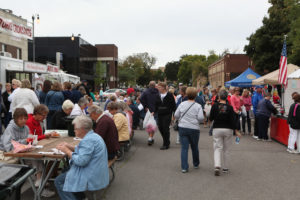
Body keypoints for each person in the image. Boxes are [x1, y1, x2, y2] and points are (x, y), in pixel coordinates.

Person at [55, 115, 109, 200]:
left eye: (75, 128)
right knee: (66, 171)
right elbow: (86, 152)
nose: (74, 130)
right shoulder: (94, 136)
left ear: (82, 129)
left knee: (59, 181)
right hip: (97, 172)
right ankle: (80, 197)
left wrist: (67, 151)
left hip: (90, 175)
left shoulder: (88, 140)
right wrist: (70, 147)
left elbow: (81, 161)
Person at [174, 87, 204, 173]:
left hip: (183, 127)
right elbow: (201, 118)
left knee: (184, 148)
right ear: (195, 95)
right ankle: (195, 163)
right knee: (194, 147)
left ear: (186, 94)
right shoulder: (198, 106)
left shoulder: (182, 104)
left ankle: (184, 167)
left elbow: (176, 115)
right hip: (194, 128)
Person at [209, 90, 236, 176]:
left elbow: (211, 117)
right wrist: (236, 130)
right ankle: (225, 167)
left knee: (217, 148)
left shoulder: (215, 106)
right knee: (226, 149)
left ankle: (217, 165)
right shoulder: (230, 107)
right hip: (228, 129)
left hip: (217, 128)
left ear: (219, 97)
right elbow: (233, 120)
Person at [157, 82, 176, 150]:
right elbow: (156, 104)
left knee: (165, 128)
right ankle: (166, 140)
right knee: (160, 128)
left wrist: (174, 114)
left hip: (167, 114)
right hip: (159, 114)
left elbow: (173, 105)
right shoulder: (158, 95)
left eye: (159, 87)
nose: (158, 88)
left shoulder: (169, 95)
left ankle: (166, 144)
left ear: (163, 87)